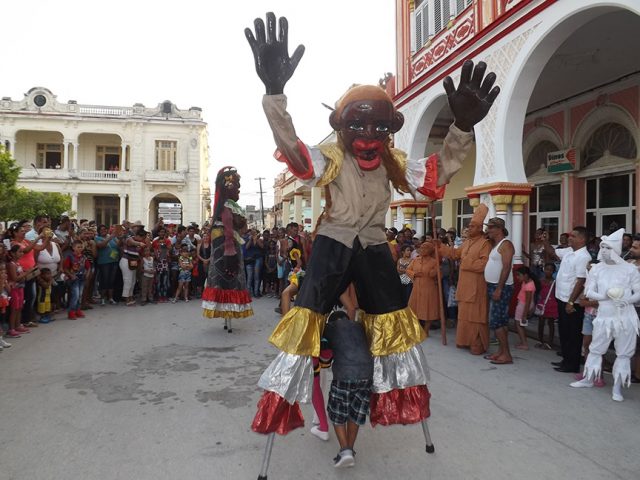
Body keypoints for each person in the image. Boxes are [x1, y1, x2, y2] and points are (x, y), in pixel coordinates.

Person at [246, 13, 499, 437]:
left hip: (374, 246)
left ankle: (393, 403)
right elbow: (294, 152)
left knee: (396, 322)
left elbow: (437, 175)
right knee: (306, 318)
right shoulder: (332, 159)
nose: (368, 135)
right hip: (333, 244)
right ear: (340, 128)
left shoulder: (394, 162)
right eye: (357, 126)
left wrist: (462, 126)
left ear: (392, 129)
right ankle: (286, 409)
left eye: (379, 126)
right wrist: (275, 93)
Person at [570, 229, 640, 401]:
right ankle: (589, 378)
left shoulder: (630, 269)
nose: (604, 251)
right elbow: (588, 291)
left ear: (616, 249)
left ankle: (617, 387)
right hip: (604, 316)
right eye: (602, 247)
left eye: (608, 247)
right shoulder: (596, 269)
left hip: (625, 317)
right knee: (596, 348)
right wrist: (603, 296)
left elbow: (639, 292)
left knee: (623, 352)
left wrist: (627, 300)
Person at [201, 167, 253, 331]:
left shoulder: (224, 206)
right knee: (230, 278)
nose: (238, 188)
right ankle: (228, 315)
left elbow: (241, 228)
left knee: (224, 279)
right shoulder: (226, 207)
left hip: (225, 244)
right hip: (227, 246)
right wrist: (229, 245)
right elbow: (233, 226)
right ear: (227, 186)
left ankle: (226, 315)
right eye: (236, 185)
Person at [439, 204, 492, 355]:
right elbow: (454, 254)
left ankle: (478, 342)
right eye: (469, 226)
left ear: (480, 229)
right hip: (464, 285)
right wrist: (440, 247)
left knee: (476, 316)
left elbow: (484, 264)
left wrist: (466, 262)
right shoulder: (467, 242)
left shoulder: (485, 243)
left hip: (477, 286)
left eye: (472, 226)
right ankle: (464, 340)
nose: (469, 228)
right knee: (464, 315)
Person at [323, 310, 373, 468]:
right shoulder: (359, 326)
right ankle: (349, 450)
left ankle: (345, 450)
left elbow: (325, 356)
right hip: (367, 373)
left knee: (337, 412)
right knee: (356, 412)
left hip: (344, 374)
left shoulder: (329, 328)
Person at [551, 227, 591, 374]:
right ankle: (566, 360)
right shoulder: (569, 252)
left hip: (571, 301)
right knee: (564, 331)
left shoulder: (583, 256)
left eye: (573, 236)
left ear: (582, 239)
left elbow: (581, 281)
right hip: (561, 297)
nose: (570, 238)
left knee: (573, 334)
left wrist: (571, 302)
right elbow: (552, 253)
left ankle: (572, 364)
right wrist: (545, 241)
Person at [483, 217, 515, 362]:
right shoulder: (496, 244)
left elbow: (506, 267)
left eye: (491, 227)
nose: (488, 230)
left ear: (499, 229)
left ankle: (506, 354)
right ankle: (501, 351)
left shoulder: (506, 244)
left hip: (500, 287)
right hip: (493, 286)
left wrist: (499, 289)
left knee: (496, 321)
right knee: (500, 321)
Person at [406, 241, 439, 335]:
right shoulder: (416, 260)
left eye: (425, 248)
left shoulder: (434, 262)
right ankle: (417, 329)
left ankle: (426, 330)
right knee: (414, 308)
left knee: (428, 309)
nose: (422, 249)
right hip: (416, 288)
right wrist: (414, 274)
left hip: (429, 289)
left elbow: (436, 275)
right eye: (421, 247)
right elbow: (408, 270)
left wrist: (434, 271)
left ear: (430, 250)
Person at [63, 239, 90, 320]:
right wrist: (71, 275)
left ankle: (78, 310)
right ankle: (71, 312)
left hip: (82, 278)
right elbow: (65, 268)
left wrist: (87, 275)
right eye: (78, 247)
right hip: (74, 279)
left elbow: (88, 267)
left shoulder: (84, 257)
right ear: (73, 248)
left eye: (81, 247)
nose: (80, 249)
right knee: (75, 295)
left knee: (80, 295)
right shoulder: (70, 257)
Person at [513, 266, 539, 350]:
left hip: (523, 306)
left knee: (519, 324)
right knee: (521, 324)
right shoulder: (527, 282)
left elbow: (528, 301)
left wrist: (524, 314)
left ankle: (524, 344)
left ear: (526, 275)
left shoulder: (529, 286)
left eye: (519, 275)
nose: (517, 277)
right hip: (523, 304)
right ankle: (523, 341)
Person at [95, 225, 120, 305]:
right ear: (98, 231)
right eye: (101, 229)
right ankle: (103, 298)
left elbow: (118, 245)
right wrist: (111, 237)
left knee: (111, 280)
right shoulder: (97, 238)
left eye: (105, 229)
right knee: (104, 280)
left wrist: (121, 237)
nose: (104, 230)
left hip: (114, 260)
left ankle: (111, 298)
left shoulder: (112, 237)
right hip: (104, 262)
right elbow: (102, 245)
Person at [534, 263, 558, 349]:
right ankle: (540, 340)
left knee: (550, 323)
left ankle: (549, 343)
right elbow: (537, 292)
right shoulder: (540, 281)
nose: (548, 271)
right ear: (544, 270)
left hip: (552, 305)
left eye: (550, 270)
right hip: (542, 304)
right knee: (541, 322)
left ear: (554, 271)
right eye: (547, 269)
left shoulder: (555, 282)